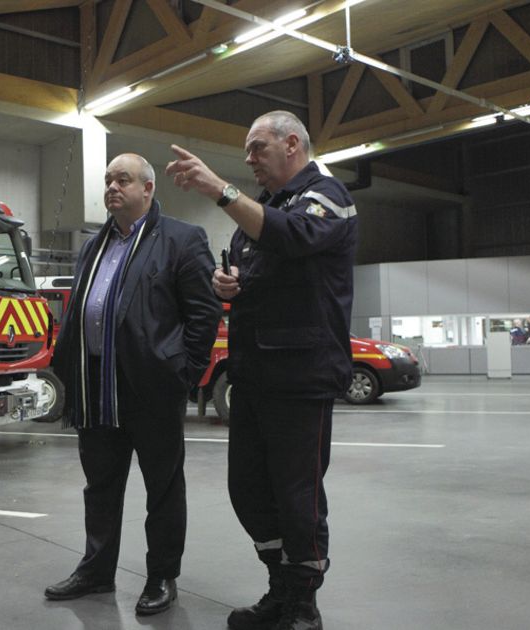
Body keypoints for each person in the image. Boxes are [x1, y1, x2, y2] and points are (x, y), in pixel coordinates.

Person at [165, 110, 358, 630]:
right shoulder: (265, 208)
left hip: (300, 376)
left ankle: (303, 604)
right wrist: (230, 284)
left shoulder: (328, 195)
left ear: (291, 144)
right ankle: (278, 585)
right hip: (253, 373)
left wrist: (219, 190)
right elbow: (263, 261)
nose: (249, 161)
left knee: (298, 495)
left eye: (257, 149)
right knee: (248, 489)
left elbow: (293, 237)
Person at [44, 153, 221, 616]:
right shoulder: (94, 245)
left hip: (152, 386)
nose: (112, 187)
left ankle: (162, 576)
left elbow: (204, 314)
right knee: (99, 485)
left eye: (122, 179)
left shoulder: (182, 239)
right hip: (95, 383)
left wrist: (183, 373)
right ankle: (96, 569)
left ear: (148, 189)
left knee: (162, 487)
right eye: (107, 180)